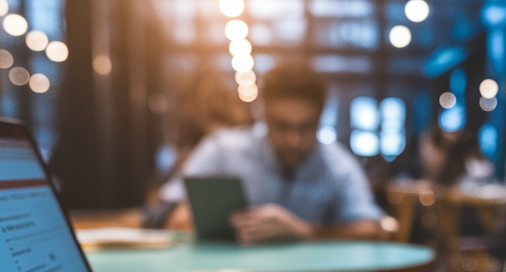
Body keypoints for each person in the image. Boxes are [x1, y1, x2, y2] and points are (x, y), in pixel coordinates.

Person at [162, 64, 383, 244]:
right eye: (282, 126)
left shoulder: (337, 164)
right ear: (263, 114)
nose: (293, 140)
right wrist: (184, 219)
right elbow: (168, 209)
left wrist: (307, 231)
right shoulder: (222, 149)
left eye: (305, 127)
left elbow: (371, 229)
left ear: (321, 118)